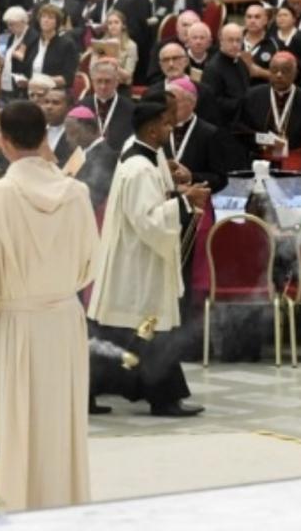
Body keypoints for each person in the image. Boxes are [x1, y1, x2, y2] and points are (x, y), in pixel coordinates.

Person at [0, 100, 95, 511]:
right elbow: (91, 261)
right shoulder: (77, 193)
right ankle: (63, 506)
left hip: (15, 320)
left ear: (2, 140)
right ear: (44, 137)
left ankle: (14, 506)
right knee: (60, 421)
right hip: (64, 320)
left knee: (14, 421)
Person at [87, 94, 209, 417]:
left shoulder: (143, 155)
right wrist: (186, 201)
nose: (171, 129)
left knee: (122, 330)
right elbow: (148, 219)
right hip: (139, 260)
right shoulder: (139, 168)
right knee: (146, 327)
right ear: (153, 129)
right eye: (167, 124)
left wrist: (176, 189)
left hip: (137, 256)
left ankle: (88, 391)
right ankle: (163, 399)